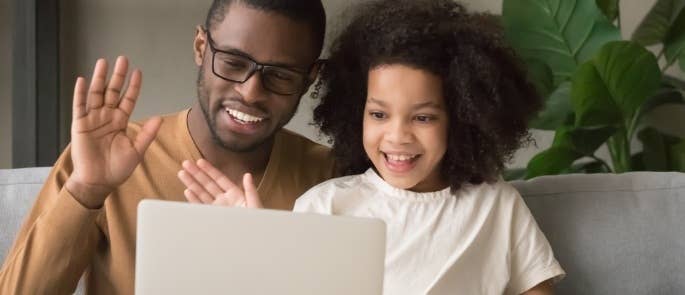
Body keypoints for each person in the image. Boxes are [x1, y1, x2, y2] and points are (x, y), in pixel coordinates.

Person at [179, 0, 566, 294]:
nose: (397, 137)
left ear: (463, 117)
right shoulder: (326, 205)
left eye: (424, 117)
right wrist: (261, 245)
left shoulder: (496, 206)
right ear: (356, 112)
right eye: (379, 115)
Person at [0, 0, 334, 294]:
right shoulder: (106, 155)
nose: (250, 92)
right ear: (201, 46)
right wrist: (85, 190)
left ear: (311, 77)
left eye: (281, 76)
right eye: (233, 63)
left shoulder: (330, 178)